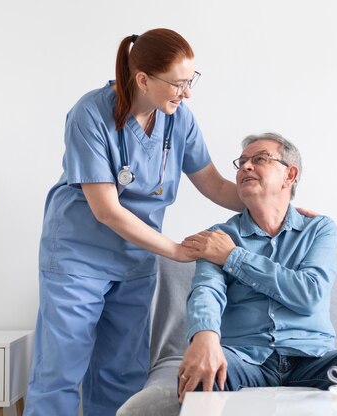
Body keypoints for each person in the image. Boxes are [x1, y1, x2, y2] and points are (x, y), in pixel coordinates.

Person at [23, 29, 245, 416]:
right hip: (79, 257)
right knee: (60, 371)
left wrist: (278, 203)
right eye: (178, 83)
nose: (187, 92)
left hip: (135, 259)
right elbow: (106, 209)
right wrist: (175, 250)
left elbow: (214, 184)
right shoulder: (90, 114)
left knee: (120, 374)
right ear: (143, 79)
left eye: (190, 81)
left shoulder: (180, 121)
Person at [177, 132, 337, 402]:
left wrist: (233, 257)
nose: (245, 166)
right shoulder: (218, 236)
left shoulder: (319, 229)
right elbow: (206, 292)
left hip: (312, 358)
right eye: (241, 162)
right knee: (202, 373)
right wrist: (204, 337)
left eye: (260, 159)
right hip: (245, 358)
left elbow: (309, 294)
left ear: (289, 175)